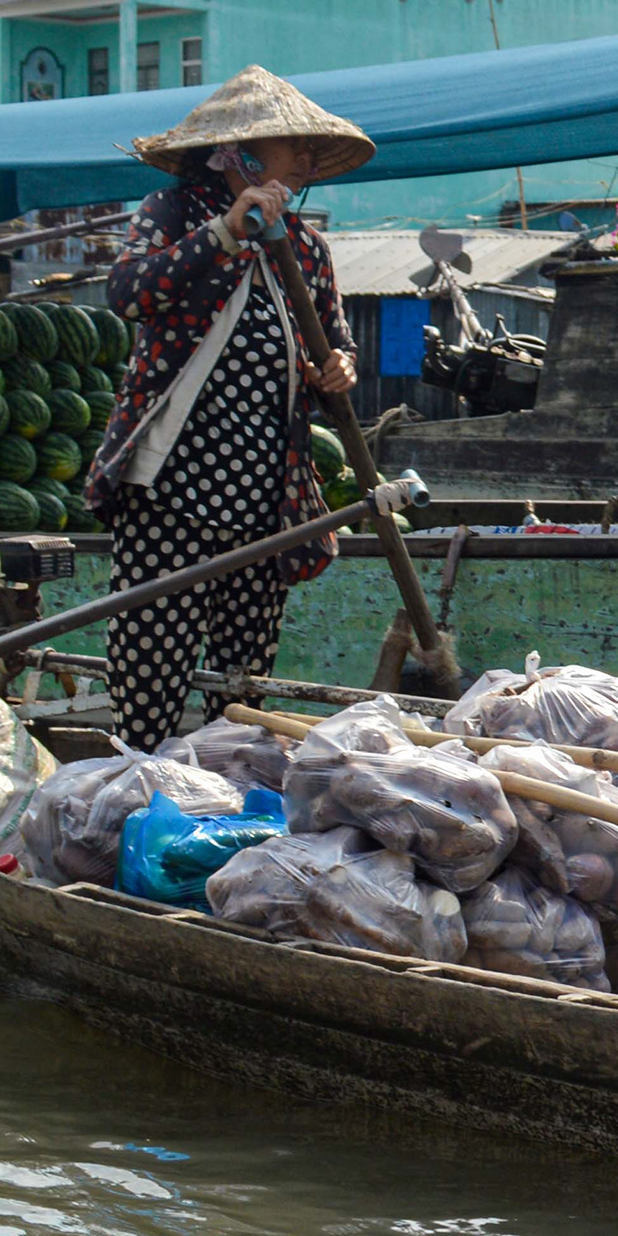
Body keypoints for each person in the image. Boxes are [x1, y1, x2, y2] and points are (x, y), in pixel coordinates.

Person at [86, 68, 367, 746]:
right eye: (291, 147)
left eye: (308, 150)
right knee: (152, 668)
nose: (304, 163)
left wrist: (341, 366)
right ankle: (137, 782)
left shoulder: (304, 246)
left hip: (266, 497)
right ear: (242, 152)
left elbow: (335, 340)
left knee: (242, 687)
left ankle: (229, 801)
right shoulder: (173, 213)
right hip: (173, 487)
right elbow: (126, 293)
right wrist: (223, 234)